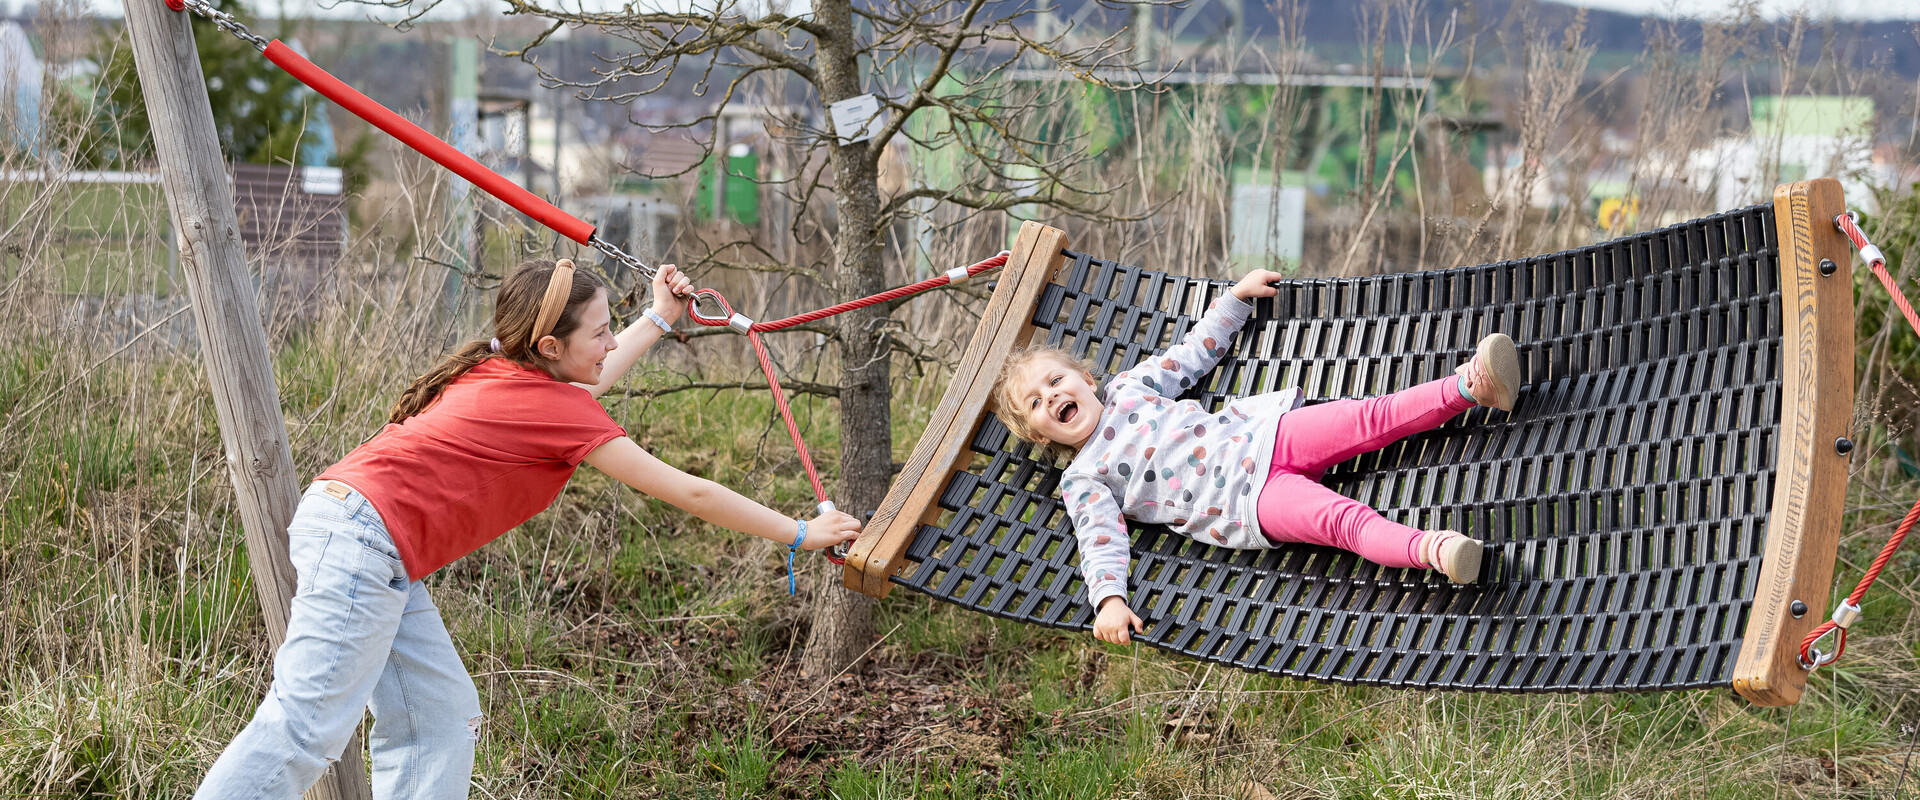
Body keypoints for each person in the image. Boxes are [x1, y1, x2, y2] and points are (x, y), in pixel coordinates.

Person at [194, 259, 862, 799]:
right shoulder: (550, 403)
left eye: (613, 328)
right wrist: (801, 532)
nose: (610, 341)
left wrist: (657, 318)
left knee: (440, 718)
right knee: (308, 727)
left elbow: (584, 385)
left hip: (366, 534)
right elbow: (689, 490)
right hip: (364, 540)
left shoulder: (507, 370)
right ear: (550, 347)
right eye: (600, 332)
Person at [991, 269, 1519, 646]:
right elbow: (1098, 538)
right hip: (1246, 503)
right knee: (1344, 523)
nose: (1051, 397)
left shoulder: (1130, 388)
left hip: (1263, 435)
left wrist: (1235, 300)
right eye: (1035, 403)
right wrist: (1107, 599)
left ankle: (1470, 387)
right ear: (1039, 435)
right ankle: (1435, 550)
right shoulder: (1084, 477)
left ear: (1086, 379)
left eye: (1055, 380)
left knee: (1368, 417)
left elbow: (1191, 354)